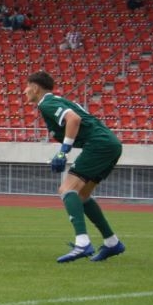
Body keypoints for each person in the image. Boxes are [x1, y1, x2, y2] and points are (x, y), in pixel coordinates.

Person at [25, 72, 125, 262]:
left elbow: (73, 119)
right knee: (82, 196)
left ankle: (82, 243)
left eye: (27, 86)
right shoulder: (55, 101)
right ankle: (112, 242)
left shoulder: (47, 103)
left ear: (36, 87)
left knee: (66, 189)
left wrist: (63, 151)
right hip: (109, 143)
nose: (25, 91)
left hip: (99, 144)